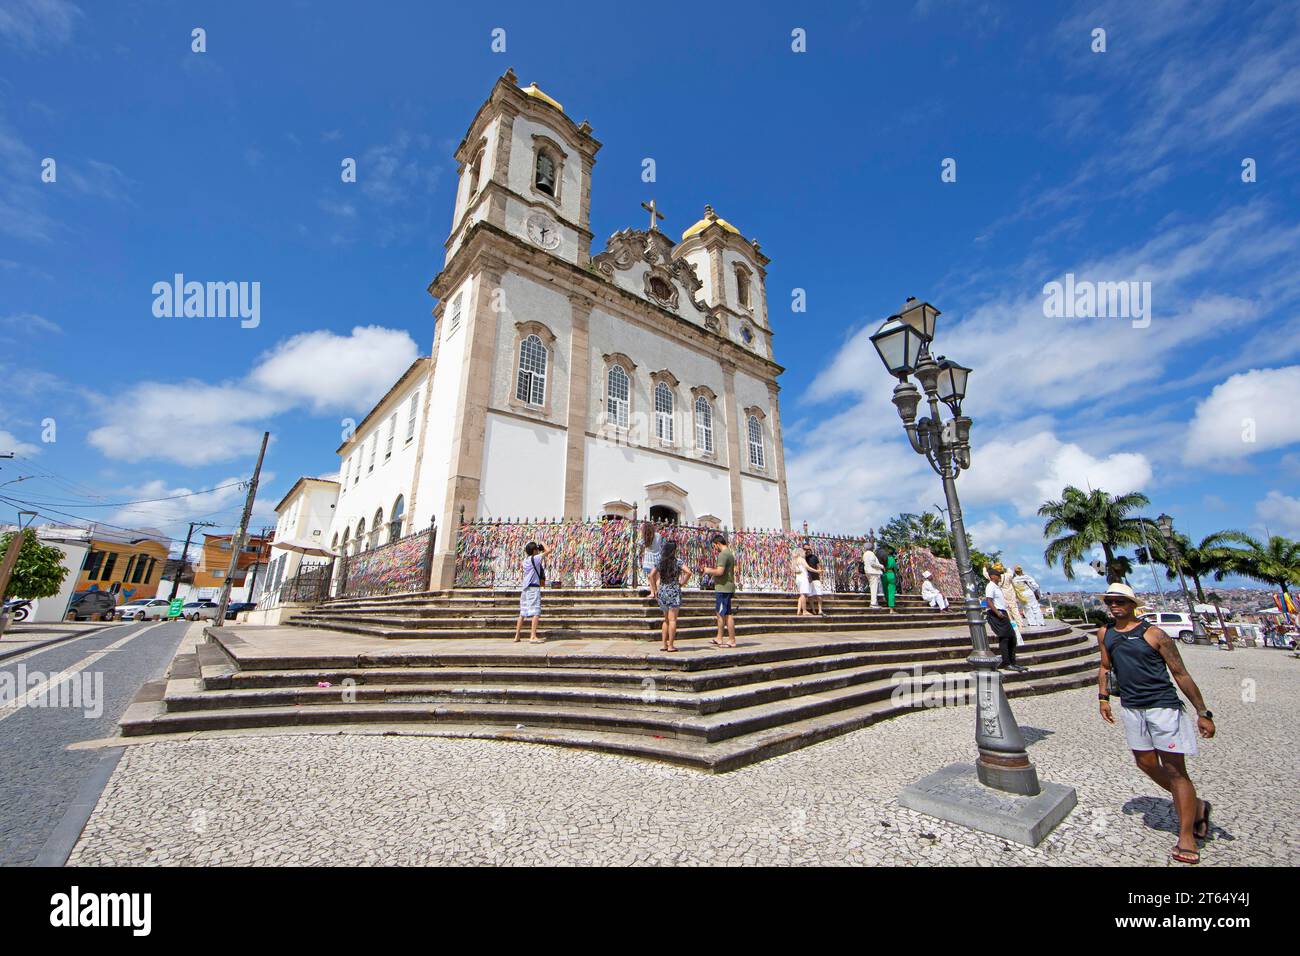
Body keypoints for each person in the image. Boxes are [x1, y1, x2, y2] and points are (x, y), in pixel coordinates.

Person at [1096, 582, 1216, 865]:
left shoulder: (1154, 634)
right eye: (1110, 601)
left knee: (1175, 769)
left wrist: (1203, 712)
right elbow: (1104, 666)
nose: (1115, 606)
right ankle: (1196, 805)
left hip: (1163, 707)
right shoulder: (1106, 633)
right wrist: (1103, 698)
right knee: (1146, 763)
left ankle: (1186, 834)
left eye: (1120, 602)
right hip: (1131, 708)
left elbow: (1180, 673)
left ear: (1132, 605)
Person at [649, 540, 691, 652]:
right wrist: (682, 583)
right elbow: (689, 572)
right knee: (673, 620)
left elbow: (651, 575)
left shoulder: (660, 561)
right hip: (674, 591)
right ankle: (671, 645)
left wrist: (655, 589)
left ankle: (664, 644)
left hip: (662, 590)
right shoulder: (677, 561)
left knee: (666, 620)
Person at [985, 565, 1026, 672]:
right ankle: (1007, 663)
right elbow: (988, 601)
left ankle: (1011, 662)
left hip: (1002, 612)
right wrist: (997, 612)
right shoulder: (990, 586)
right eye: (998, 576)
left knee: (1012, 638)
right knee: (1005, 638)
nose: (1000, 578)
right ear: (993, 576)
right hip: (997, 614)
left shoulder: (996, 586)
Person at [700, 533, 737, 648]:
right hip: (726, 586)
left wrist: (707, 570)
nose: (714, 549)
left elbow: (720, 571)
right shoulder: (729, 553)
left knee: (725, 614)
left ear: (718, 543)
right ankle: (719, 638)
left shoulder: (723, 555)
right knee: (721, 613)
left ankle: (731, 640)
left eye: (714, 546)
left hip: (723, 588)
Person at [513, 541, 547, 644]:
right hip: (533, 588)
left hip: (525, 588)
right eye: (536, 549)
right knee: (535, 611)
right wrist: (542, 543)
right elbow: (549, 550)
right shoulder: (536, 558)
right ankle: (532, 636)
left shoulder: (525, 560)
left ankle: (517, 635)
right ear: (534, 550)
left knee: (522, 612)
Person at [640, 522, 663, 587]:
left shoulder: (645, 538)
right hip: (658, 558)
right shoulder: (658, 535)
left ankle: (653, 592)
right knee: (658, 578)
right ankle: (658, 593)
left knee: (650, 577)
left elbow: (640, 545)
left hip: (648, 560)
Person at [804, 546, 824, 616]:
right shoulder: (803, 558)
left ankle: (820, 610)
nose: (807, 550)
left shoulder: (814, 557)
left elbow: (818, 566)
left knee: (819, 594)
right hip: (807, 579)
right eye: (805, 549)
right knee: (810, 595)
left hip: (816, 577)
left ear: (810, 549)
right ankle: (813, 610)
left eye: (808, 549)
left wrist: (821, 575)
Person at [792, 545, 811, 616]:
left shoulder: (795, 560)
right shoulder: (801, 559)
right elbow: (808, 567)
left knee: (801, 595)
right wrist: (817, 571)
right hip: (803, 578)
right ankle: (804, 611)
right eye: (804, 550)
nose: (805, 552)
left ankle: (798, 611)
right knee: (803, 595)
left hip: (798, 579)